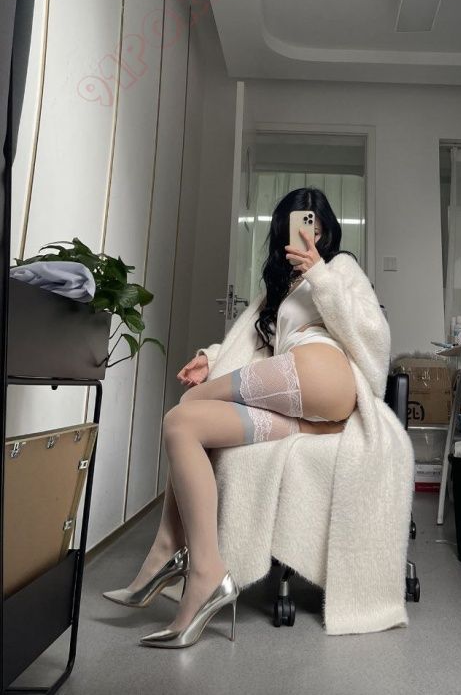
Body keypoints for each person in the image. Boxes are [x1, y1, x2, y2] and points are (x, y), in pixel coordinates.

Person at [103, 187, 371, 648]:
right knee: (184, 423)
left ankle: (169, 551)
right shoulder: (276, 289)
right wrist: (211, 358)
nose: (307, 235)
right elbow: (250, 345)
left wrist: (320, 275)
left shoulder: (341, 267)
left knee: (190, 404)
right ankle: (203, 571)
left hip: (323, 371)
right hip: (304, 399)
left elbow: (368, 331)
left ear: (327, 230)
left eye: (315, 225)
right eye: (295, 225)